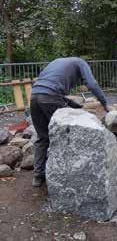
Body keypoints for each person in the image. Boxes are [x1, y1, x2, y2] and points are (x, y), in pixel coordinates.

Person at [30, 57, 108, 187]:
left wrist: (76, 106)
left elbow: (50, 91)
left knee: (42, 138)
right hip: (49, 97)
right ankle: (67, 174)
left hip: (34, 97)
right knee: (65, 133)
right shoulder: (81, 63)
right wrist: (104, 103)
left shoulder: (56, 62)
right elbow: (92, 83)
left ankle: (38, 176)